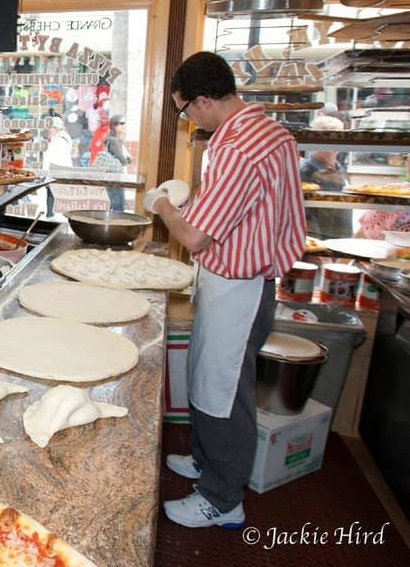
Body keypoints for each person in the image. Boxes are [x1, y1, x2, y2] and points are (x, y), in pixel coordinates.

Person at [144, 52, 305, 530]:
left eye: (185, 109)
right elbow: (242, 209)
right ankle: (205, 459)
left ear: (202, 99)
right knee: (208, 377)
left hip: (240, 285)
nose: (188, 119)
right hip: (244, 279)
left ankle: (222, 497)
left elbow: (194, 237)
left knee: (223, 392)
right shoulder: (270, 129)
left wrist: (164, 206)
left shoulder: (237, 146)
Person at [299, 114, 352, 239]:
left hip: (341, 242)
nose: (331, 146)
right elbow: (304, 218)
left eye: (337, 138)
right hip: (318, 245)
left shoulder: (340, 169)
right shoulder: (303, 173)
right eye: (325, 138)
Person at [101, 115, 131, 210]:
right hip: (115, 178)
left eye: (124, 123)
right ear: (114, 125)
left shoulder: (113, 139)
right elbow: (123, 161)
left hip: (111, 177)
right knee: (118, 208)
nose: (123, 126)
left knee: (112, 206)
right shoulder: (113, 141)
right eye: (121, 123)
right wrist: (128, 159)